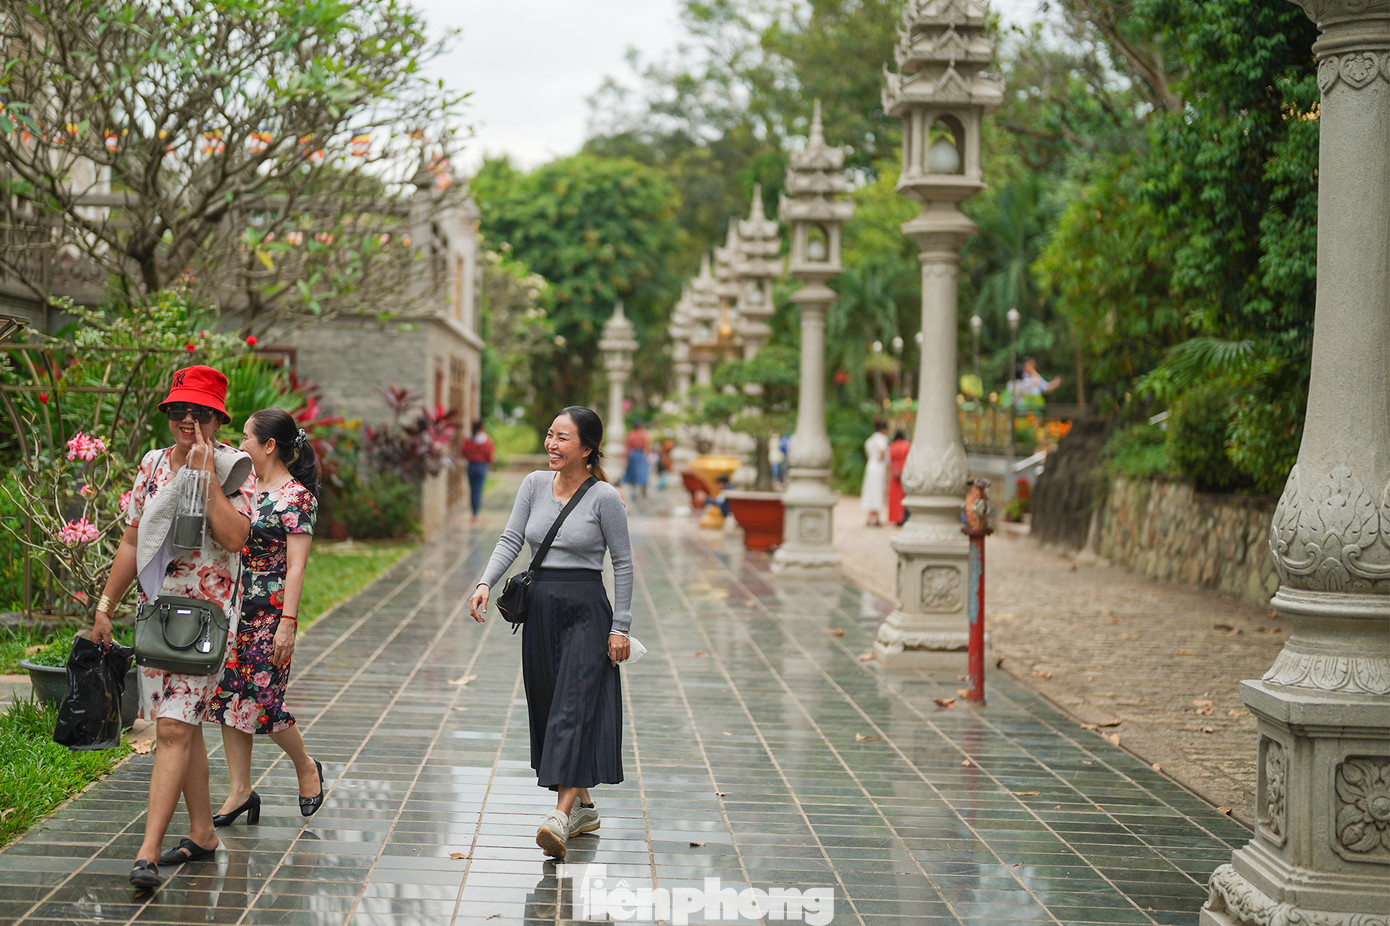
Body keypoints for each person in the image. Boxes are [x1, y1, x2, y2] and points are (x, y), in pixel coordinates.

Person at [90, 365, 256, 889]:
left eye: (199, 412)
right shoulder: (152, 464)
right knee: (182, 727)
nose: (187, 420)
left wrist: (206, 481)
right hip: (157, 615)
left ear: (216, 417)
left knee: (173, 728)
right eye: (177, 411)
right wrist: (104, 604)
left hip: (206, 622)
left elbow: (236, 539)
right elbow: (132, 542)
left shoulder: (236, 467)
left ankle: (146, 851)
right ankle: (204, 833)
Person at [469, 406, 633, 861]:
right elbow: (510, 539)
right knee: (547, 705)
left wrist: (620, 626)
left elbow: (622, 563)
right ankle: (583, 807)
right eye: (550, 435)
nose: (552, 445)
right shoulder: (534, 485)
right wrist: (485, 582)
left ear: (586, 448)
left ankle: (558, 816)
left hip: (586, 610)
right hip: (539, 609)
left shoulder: (605, 498)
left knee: (572, 706)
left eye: (563, 438)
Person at [207, 408, 325, 830]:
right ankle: (240, 791)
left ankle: (306, 766)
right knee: (227, 700)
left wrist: (288, 622)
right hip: (231, 608)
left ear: (269, 445)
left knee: (265, 703)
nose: (240, 445)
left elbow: (296, 567)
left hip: (269, 615)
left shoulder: (297, 497)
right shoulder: (241, 487)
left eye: (245, 438)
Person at [462, 419, 495, 524]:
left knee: (472, 490)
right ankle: (475, 514)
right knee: (478, 490)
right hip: (481, 466)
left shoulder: (468, 438)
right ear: (481, 427)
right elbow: (489, 453)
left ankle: (473, 513)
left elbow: (464, 451)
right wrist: (489, 462)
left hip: (471, 466)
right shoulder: (485, 439)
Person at [861, 418, 890, 527]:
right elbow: (882, 450)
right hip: (878, 466)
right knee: (877, 490)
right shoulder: (882, 438)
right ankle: (875, 517)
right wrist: (881, 457)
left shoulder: (870, 439)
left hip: (870, 465)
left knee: (870, 490)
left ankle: (871, 516)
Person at [622, 419, 651, 497]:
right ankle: (636, 489)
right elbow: (628, 446)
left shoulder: (640, 433)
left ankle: (641, 488)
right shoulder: (635, 434)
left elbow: (647, 444)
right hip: (636, 453)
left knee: (640, 472)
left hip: (639, 453)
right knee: (635, 472)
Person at [888, 429, 911, 527]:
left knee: (895, 496)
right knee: (904, 494)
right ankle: (904, 517)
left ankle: (895, 518)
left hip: (895, 471)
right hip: (905, 469)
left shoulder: (892, 446)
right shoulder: (907, 445)